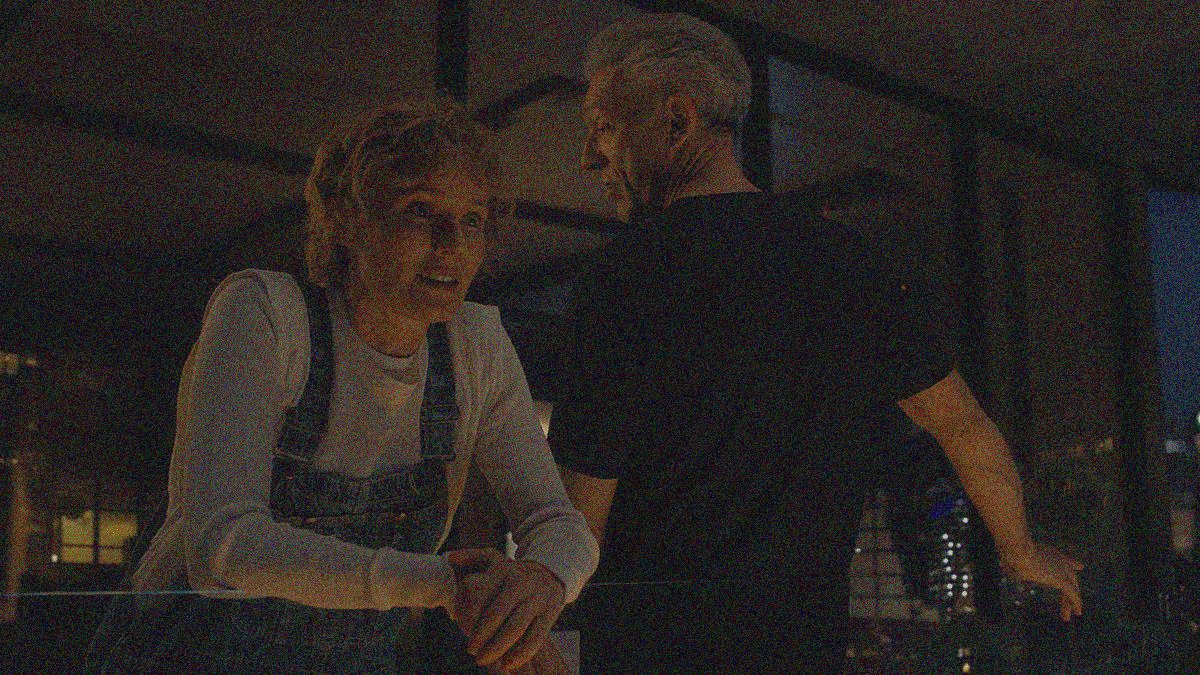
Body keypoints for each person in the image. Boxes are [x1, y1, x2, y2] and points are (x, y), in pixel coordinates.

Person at [547, 13, 1083, 674]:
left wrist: (537, 616)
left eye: (603, 126)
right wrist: (1020, 547)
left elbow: (581, 508)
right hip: (804, 649)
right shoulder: (849, 261)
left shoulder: (625, 274)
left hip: (656, 649)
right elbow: (963, 425)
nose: (588, 156)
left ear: (678, 119)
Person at [83, 99, 597, 674]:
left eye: (473, 218)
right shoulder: (267, 315)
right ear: (346, 220)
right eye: (420, 210)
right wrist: (448, 583)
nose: (453, 241)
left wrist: (545, 579)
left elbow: (556, 520)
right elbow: (223, 547)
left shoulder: (476, 345)